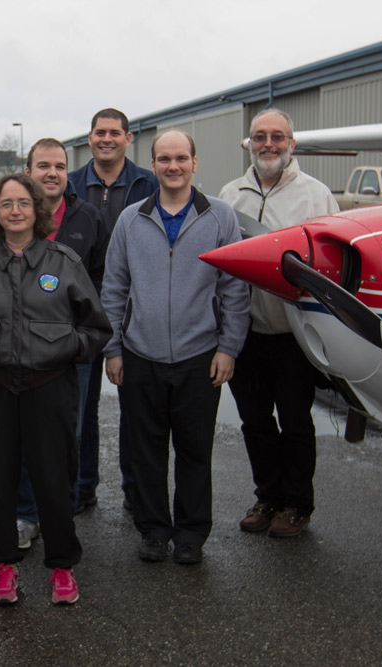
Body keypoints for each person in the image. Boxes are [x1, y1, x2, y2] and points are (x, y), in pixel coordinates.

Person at [0, 174, 111, 605]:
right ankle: (4, 567)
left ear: (38, 210)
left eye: (23, 203)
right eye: (6, 204)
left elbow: (96, 327)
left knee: (55, 480)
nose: (15, 211)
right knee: (0, 482)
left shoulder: (65, 262)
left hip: (50, 387)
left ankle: (61, 568)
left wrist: (64, 350)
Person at [101, 130, 250, 565]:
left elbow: (235, 289)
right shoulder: (131, 220)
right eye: (164, 159)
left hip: (199, 355)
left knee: (193, 450)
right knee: (145, 449)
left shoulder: (220, 217)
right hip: (140, 354)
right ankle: (152, 530)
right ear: (153, 165)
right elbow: (114, 287)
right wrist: (113, 348)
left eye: (181, 158)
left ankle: (190, 533)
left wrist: (229, 348)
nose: (173, 166)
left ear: (194, 163)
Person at [218, 109, 339, 538]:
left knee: (295, 421)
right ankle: (267, 496)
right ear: (248, 143)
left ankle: (297, 505)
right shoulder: (230, 195)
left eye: (277, 136)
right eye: (259, 136)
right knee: (255, 422)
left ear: (291, 142)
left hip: (295, 336)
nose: (268, 143)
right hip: (246, 333)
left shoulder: (317, 196)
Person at [15, 138, 110, 549]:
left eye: (58, 165)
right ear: (29, 169)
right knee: (23, 434)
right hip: (21, 348)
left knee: (66, 433)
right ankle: (26, 514)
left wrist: (86, 335)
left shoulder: (88, 217)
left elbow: (103, 278)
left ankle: (60, 513)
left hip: (72, 350)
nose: (51, 172)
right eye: (42, 165)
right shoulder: (14, 213)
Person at [67, 109, 159, 513]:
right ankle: (82, 486)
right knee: (80, 408)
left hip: (134, 311)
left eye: (114, 133)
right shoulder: (69, 185)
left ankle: (135, 488)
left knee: (134, 407)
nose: (107, 139)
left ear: (128, 138)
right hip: (78, 316)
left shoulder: (148, 183)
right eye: (100, 132)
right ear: (89, 138)